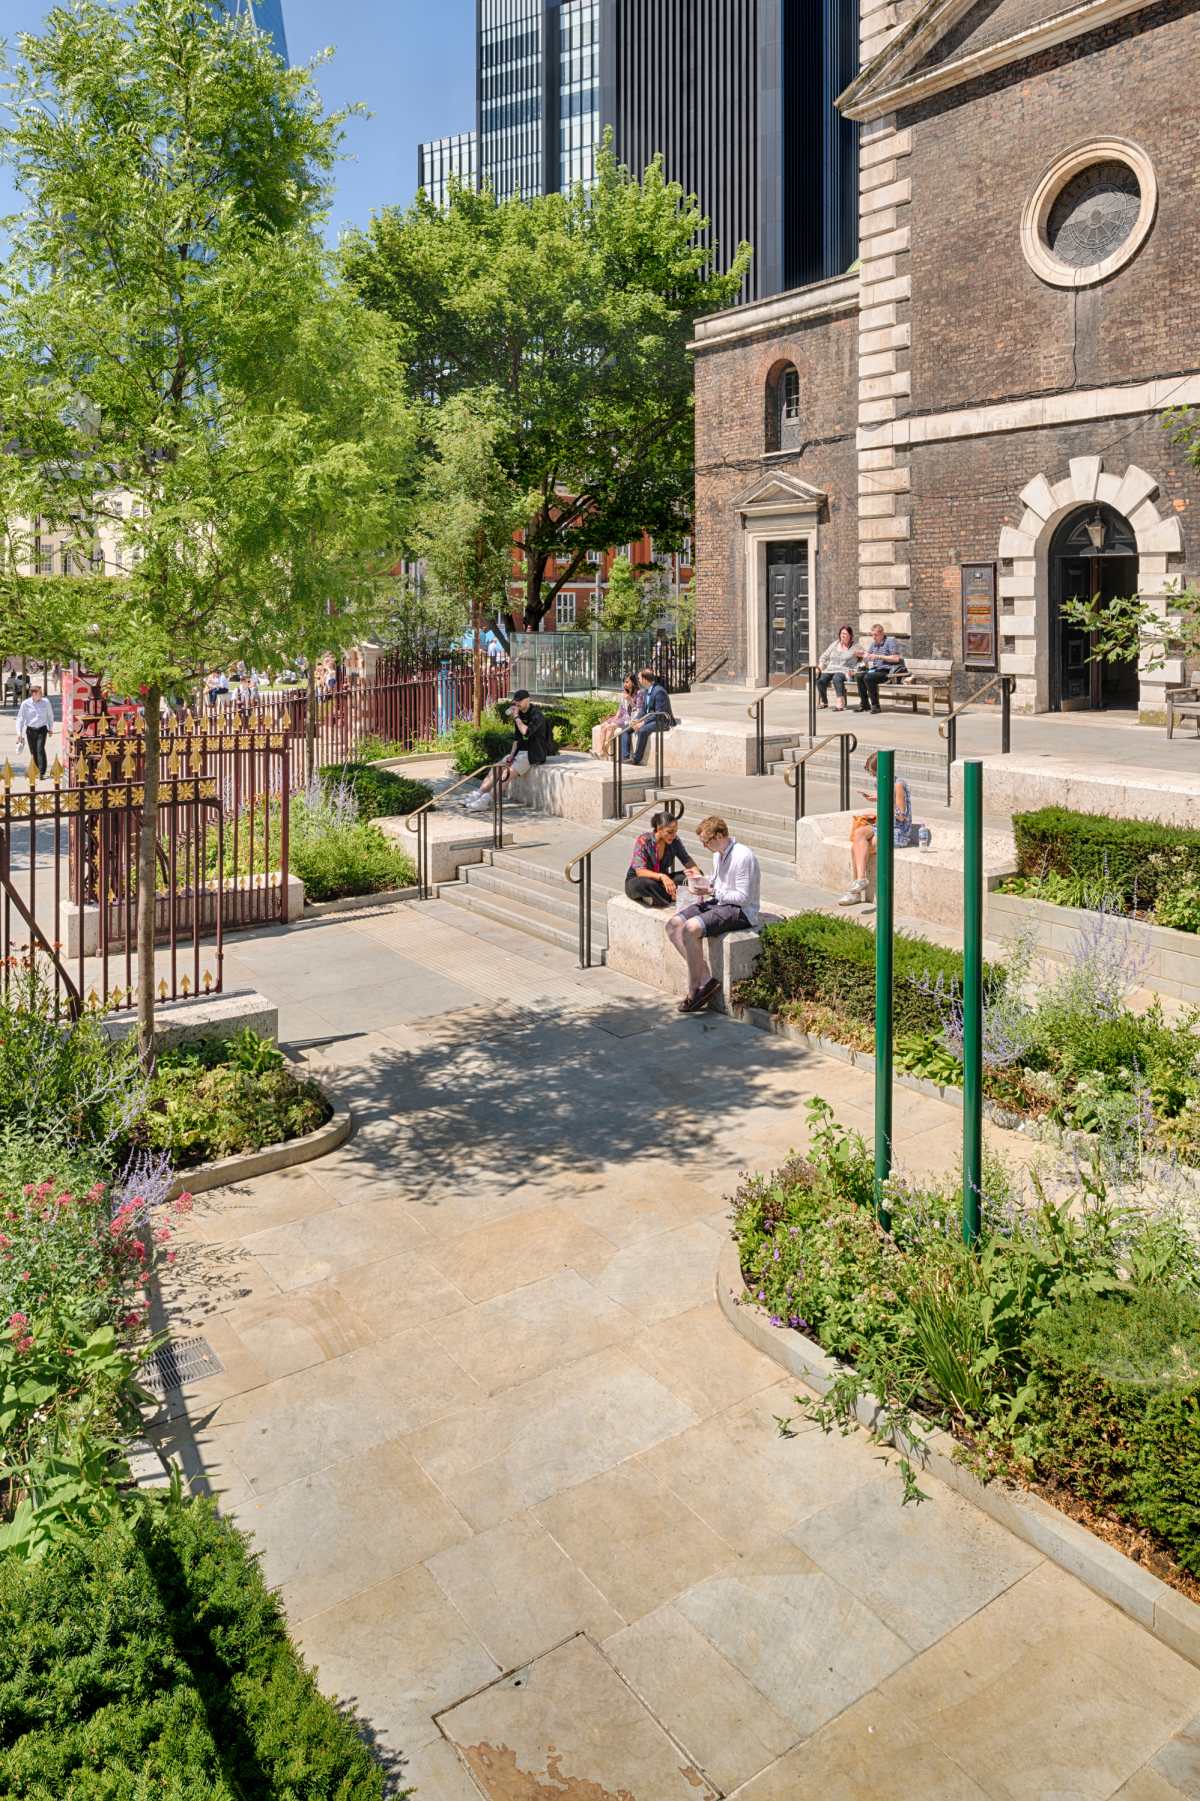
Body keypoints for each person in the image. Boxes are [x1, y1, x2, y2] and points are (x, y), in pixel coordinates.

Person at [666, 815, 762, 1014]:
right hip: (720, 902)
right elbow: (719, 885)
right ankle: (705, 979)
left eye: (706, 842)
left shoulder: (743, 856)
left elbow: (743, 897)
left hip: (741, 911)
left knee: (691, 928)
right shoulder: (718, 854)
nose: (704, 846)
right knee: (673, 925)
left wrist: (711, 891)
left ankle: (694, 990)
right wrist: (702, 880)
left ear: (719, 836)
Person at [839, 751, 914, 906]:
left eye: (875, 774)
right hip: (883, 824)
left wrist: (883, 800)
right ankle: (860, 880)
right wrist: (878, 799)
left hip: (898, 830)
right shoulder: (880, 783)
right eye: (872, 775)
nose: (874, 778)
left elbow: (902, 815)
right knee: (859, 834)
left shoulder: (898, 784)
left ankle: (854, 892)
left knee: (859, 848)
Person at [465, 689, 549, 809]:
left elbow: (526, 732)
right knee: (496, 769)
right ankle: (479, 794)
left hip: (533, 754)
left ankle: (486, 801)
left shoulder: (537, 715)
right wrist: (511, 756)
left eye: (519, 701)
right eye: (516, 702)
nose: (517, 704)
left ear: (528, 700)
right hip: (519, 752)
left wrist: (516, 717)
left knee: (506, 774)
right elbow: (517, 739)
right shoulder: (519, 715)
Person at [625, 811, 702, 908]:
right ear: (659, 828)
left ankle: (659, 897)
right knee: (647, 884)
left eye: (675, 832)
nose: (673, 835)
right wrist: (662, 876)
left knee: (693, 876)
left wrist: (698, 876)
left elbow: (686, 860)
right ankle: (673, 896)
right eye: (670, 832)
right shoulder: (644, 841)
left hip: (661, 881)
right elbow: (640, 871)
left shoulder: (675, 841)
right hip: (639, 880)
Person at [621, 667, 674, 765]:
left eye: (639, 678)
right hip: (651, 718)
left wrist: (643, 723)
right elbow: (643, 710)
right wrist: (636, 720)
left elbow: (658, 714)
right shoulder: (646, 691)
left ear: (645, 679)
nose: (638, 680)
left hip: (662, 721)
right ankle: (625, 757)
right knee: (626, 729)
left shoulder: (659, 691)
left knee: (643, 730)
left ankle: (636, 759)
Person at [856, 623, 907, 713]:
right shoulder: (873, 644)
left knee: (869, 677)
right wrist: (863, 655)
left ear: (882, 634)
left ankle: (875, 705)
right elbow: (868, 658)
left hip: (887, 671)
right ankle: (864, 704)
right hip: (875, 670)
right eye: (872, 635)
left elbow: (896, 658)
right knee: (859, 676)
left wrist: (878, 656)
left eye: (876, 635)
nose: (874, 637)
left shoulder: (890, 642)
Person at [592, 674, 643, 760]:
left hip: (629, 718)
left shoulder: (639, 693)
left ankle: (602, 751)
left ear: (633, 683)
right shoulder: (625, 692)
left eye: (627, 682)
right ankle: (600, 750)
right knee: (604, 725)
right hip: (622, 716)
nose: (625, 684)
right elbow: (621, 707)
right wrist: (615, 717)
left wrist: (630, 700)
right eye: (624, 682)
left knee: (610, 726)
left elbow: (638, 709)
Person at [815, 625, 860, 711]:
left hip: (845, 671)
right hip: (830, 669)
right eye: (841, 633)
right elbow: (824, 656)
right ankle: (824, 701)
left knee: (837, 678)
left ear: (850, 635)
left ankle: (840, 702)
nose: (843, 636)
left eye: (845, 634)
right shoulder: (835, 644)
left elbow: (864, 658)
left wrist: (855, 670)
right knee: (820, 680)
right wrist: (820, 667)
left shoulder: (855, 646)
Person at [15, 684, 54, 778]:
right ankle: (36, 769)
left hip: (42, 729)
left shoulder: (46, 702)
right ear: (34, 694)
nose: (42, 694)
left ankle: (42, 772)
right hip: (30, 730)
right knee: (33, 751)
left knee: (40, 749)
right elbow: (20, 718)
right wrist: (19, 733)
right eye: (40, 692)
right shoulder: (25, 704)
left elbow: (50, 716)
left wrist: (50, 728)